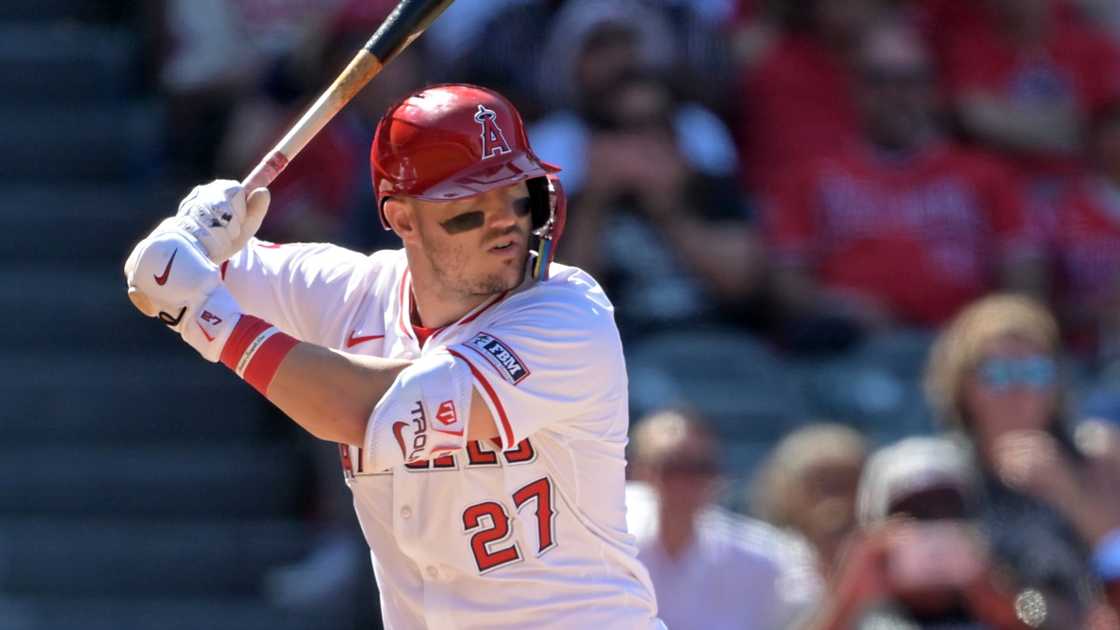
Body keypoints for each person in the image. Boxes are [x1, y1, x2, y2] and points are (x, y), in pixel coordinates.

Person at [122, 84, 663, 629]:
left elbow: (373, 412)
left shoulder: (569, 314)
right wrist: (188, 233)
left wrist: (213, 324)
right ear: (404, 219)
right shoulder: (358, 291)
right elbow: (159, 282)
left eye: (517, 195)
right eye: (471, 203)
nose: (506, 222)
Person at [764, 18, 1045, 352]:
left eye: (910, 82)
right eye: (879, 81)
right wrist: (837, 308)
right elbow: (786, 279)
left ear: (934, 89)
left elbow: (1024, 278)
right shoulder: (811, 174)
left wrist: (985, 333)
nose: (896, 95)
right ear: (855, 88)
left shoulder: (987, 174)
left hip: (958, 350)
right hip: (850, 351)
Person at [925, 293, 1120, 627]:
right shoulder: (937, 471)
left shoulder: (1096, 453)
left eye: (1034, 372)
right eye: (999, 373)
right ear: (963, 385)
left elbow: (1116, 555)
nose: (1019, 389)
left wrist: (1069, 492)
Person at [806, 436, 1038, 629]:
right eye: (913, 515)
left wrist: (995, 595)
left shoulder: (1006, 579)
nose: (932, 530)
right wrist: (848, 597)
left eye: (948, 512)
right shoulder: (862, 612)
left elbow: (1044, 618)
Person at [626, 408, 823, 630]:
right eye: (671, 467)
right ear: (639, 471)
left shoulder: (765, 558)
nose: (684, 482)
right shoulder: (609, 547)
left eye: (700, 468)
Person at [750, 423, 868, 577]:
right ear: (785, 491)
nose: (834, 499)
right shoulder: (766, 560)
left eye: (846, 483)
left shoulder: (887, 561)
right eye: (822, 485)